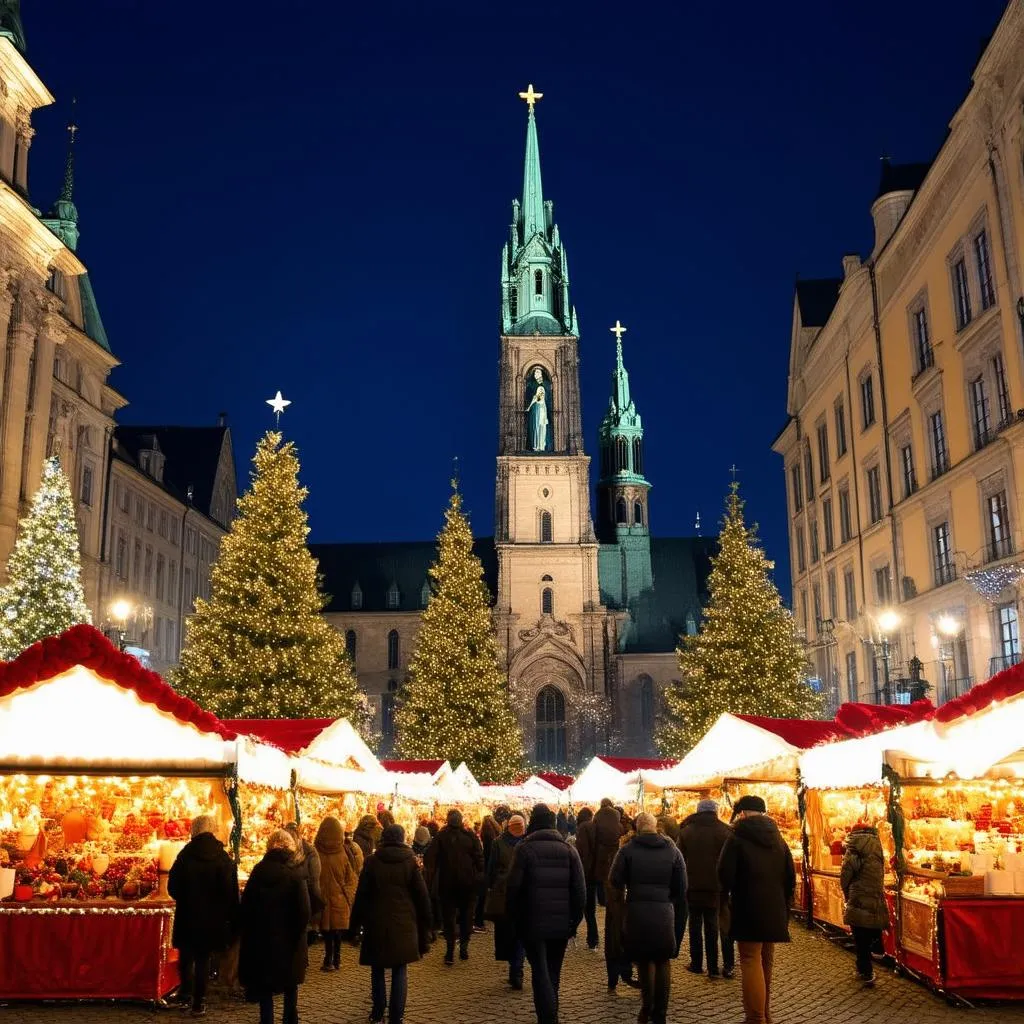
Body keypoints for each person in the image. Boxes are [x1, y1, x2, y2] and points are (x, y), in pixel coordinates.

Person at [718, 795, 795, 1024]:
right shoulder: (779, 839)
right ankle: (766, 1014)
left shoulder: (736, 837)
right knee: (765, 961)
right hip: (774, 907)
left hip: (748, 906)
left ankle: (756, 1017)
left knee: (750, 959)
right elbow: (790, 877)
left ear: (742, 813)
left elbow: (724, 874)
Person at [505, 804, 585, 1024]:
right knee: (553, 972)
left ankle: (547, 1018)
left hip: (532, 923)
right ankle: (551, 1014)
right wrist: (573, 922)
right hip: (560, 924)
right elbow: (580, 891)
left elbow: (512, 889)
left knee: (540, 971)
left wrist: (514, 919)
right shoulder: (569, 850)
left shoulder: (524, 849)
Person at [350, 824, 432, 1024]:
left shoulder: (372, 862)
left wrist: (354, 926)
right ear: (403, 838)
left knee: (377, 968)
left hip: (376, 922)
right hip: (404, 924)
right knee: (399, 969)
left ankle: (378, 1012)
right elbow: (422, 896)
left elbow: (361, 896)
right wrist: (428, 923)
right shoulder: (410, 862)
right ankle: (397, 1015)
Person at [610, 812, 686, 1024]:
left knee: (644, 960)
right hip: (663, 910)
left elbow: (614, 878)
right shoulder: (672, 850)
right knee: (663, 960)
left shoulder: (627, 850)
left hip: (637, 910)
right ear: (655, 827)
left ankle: (647, 1007)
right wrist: (667, 899)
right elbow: (682, 885)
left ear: (637, 827)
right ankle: (660, 1014)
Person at [168, 814, 239, 1018]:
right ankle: (199, 1002)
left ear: (194, 830)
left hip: (188, 916)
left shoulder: (185, 855)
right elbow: (230, 894)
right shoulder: (223, 858)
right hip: (211, 919)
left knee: (186, 956)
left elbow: (172, 887)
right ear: (213, 830)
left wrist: (186, 897)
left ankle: (185, 994)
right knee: (203, 959)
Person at [239, 830, 311, 1024]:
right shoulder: (296, 873)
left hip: (262, 941)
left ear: (269, 847)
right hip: (291, 942)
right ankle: (290, 1019)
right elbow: (304, 912)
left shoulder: (257, 872)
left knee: (265, 989)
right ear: (291, 848)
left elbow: (245, 908)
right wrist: (297, 934)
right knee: (290, 985)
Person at [678, 798, 735, 978]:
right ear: (715, 812)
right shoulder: (726, 831)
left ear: (698, 811)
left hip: (693, 886)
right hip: (717, 888)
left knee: (695, 926)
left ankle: (696, 964)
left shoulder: (687, 831)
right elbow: (732, 863)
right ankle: (714, 968)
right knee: (714, 926)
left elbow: (679, 861)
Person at [423, 808, 484, 965]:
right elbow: (480, 860)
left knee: (449, 918)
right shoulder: (470, 836)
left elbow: (430, 858)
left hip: (447, 884)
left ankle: (450, 951)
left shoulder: (441, 837)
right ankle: (464, 946)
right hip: (467, 884)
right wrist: (477, 876)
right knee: (466, 916)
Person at [840, 822, 890, 986]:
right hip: (875, 893)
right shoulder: (877, 846)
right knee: (870, 928)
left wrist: (846, 890)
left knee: (860, 936)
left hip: (859, 894)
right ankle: (876, 949)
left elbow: (847, 873)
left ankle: (865, 971)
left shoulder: (854, 847)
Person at [314, 816, 362, 972]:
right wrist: (348, 896)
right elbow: (352, 878)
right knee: (337, 932)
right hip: (339, 898)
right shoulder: (343, 853)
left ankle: (328, 960)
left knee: (327, 932)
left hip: (322, 899)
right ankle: (337, 959)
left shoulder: (316, 853)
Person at [485, 813, 526, 988]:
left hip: (503, 893)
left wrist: (490, 887)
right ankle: (517, 969)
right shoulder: (526, 843)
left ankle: (514, 968)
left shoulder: (498, 843)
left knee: (507, 931)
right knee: (520, 933)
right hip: (522, 892)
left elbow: (491, 869)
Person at [602, 815, 640, 993]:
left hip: (618, 904)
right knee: (628, 941)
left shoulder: (619, 850)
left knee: (615, 941)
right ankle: (626, 974)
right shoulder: (637, 849)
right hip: (630, 905)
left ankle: (614, 979)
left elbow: (611, 880)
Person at [284, 822, 323, 948]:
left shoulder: (309, 853)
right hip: (299, 898)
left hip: (304, 896)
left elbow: (314, 881)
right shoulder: (309, 853)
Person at [573, 807, 599, 949]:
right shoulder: (594, 826)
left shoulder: (583, 828)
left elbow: (583, 852)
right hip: (594, 873)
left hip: (585, 873)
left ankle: (572, 934)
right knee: (591, 912)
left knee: (579, 906)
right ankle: (593, 940)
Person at [592, 797, 622, 905]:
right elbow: (619, 828)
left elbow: (594, 831)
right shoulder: (616, 813)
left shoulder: (597, 814)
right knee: (613, 872)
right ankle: (613, 897)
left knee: (600, 875)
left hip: (601, 849)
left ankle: (602, 900)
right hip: (614, 848)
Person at [474, 814, 501, 929]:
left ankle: (479, 919)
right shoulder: (497, 834)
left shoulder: (486, 835)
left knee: (482, 895)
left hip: (486, 867)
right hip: (493, 868)